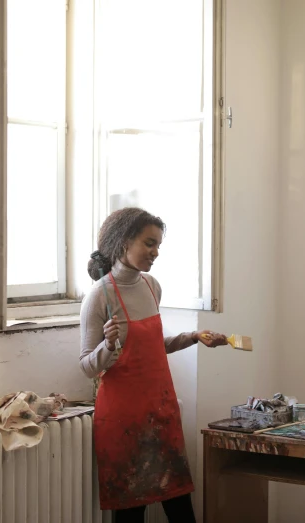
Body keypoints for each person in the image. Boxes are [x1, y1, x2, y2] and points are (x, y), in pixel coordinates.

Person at [79, 207, 225, 523]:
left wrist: (194, 336)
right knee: (131, 513)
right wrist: (108, 345)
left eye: (158, 245)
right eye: (149, 243)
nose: (155, 252)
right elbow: (88, 366)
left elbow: (153, 347)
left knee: (180, 506)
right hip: (124, 417)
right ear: (123, 242)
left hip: (161, 410)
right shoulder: (99, 296)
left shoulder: (151, 286)